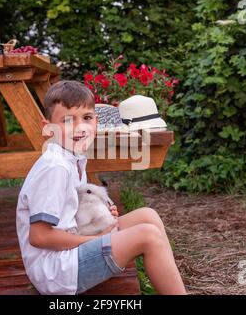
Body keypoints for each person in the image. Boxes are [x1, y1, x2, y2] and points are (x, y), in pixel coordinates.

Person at [16, 80, 186, 295]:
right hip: (57, 272)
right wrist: (95, 240)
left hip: (71, 249)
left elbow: (70, 210)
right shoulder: (55, 168)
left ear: (95, 121)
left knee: (147, 216)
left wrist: (101, 212)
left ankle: (168, 280)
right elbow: (39, 237)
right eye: (68, 120)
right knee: (147, 235)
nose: (80, 128)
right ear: (47, 128)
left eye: (86, 118)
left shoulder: (71, 156)